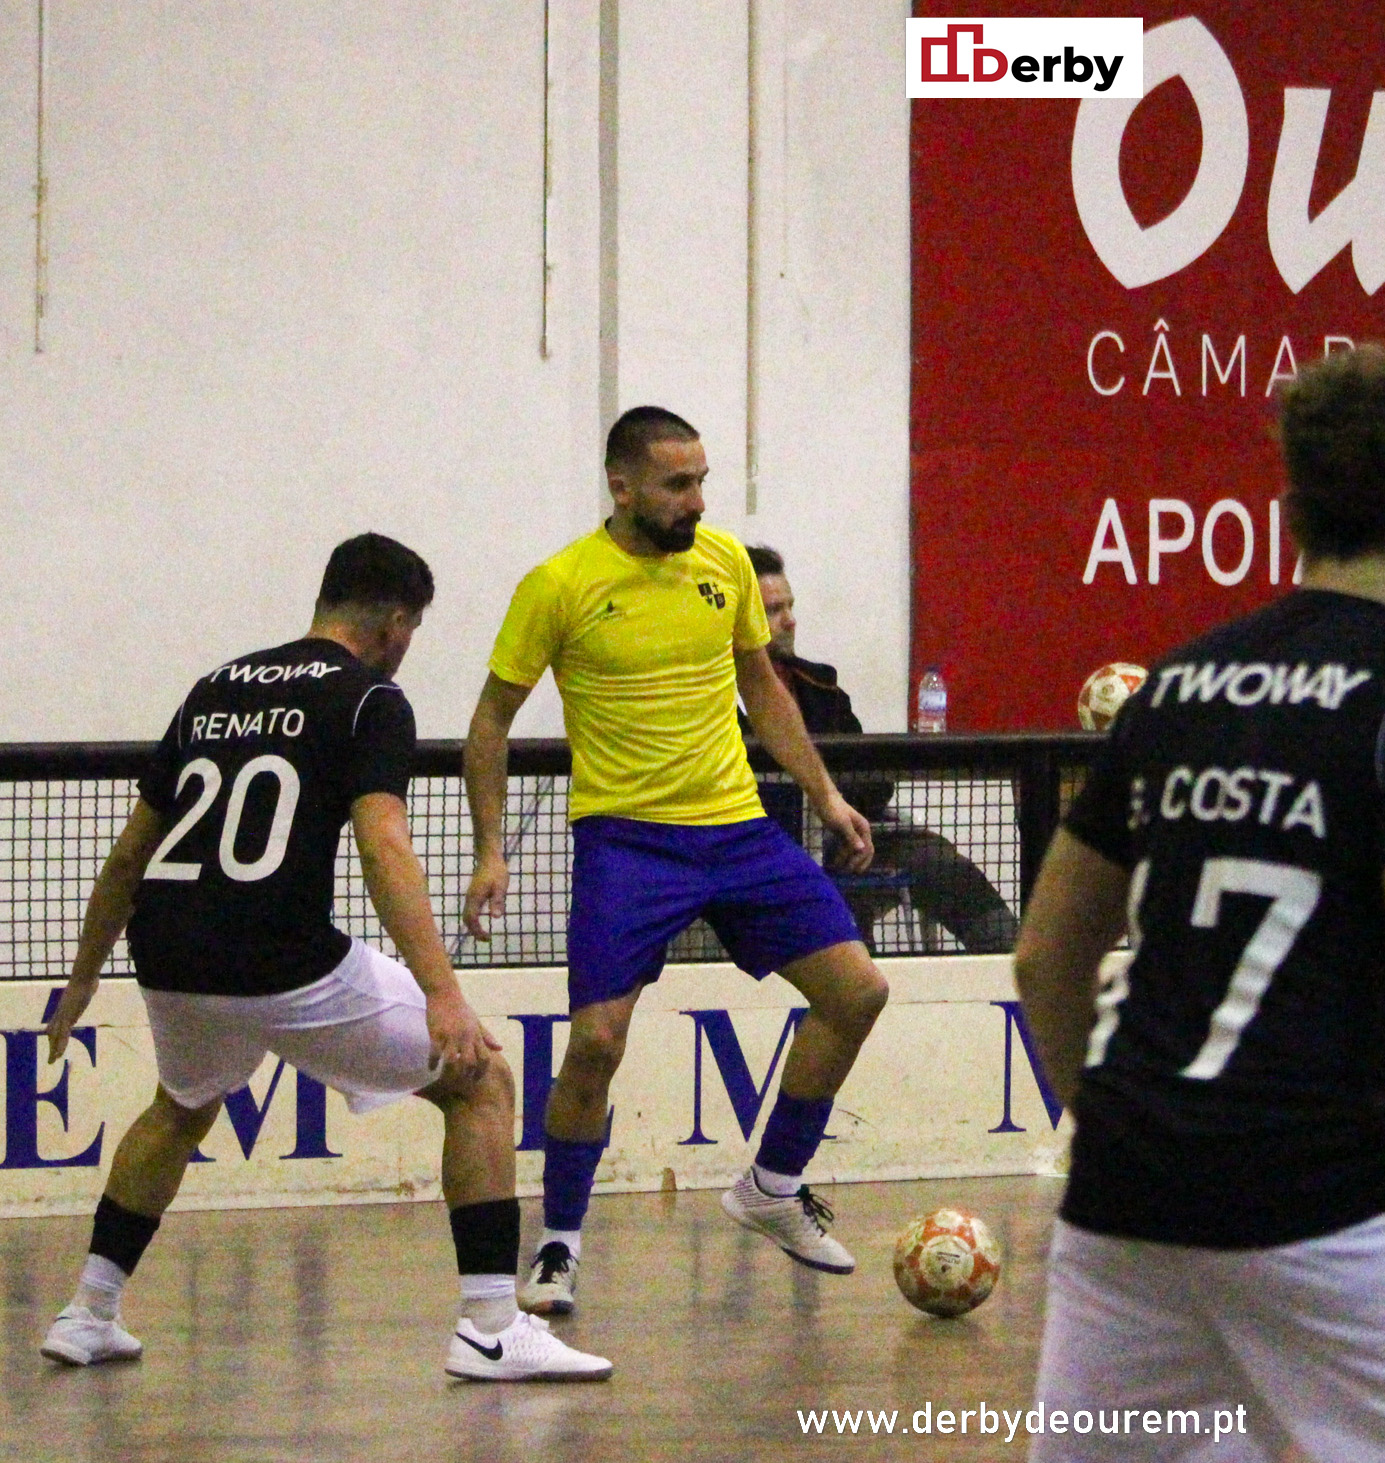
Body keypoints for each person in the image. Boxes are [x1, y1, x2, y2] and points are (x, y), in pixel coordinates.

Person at [1012, 347, 1385, 1463]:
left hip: (1122, 1182)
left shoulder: (1175, 685)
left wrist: (1126, 1130)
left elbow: (1045, 955)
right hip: (1314, 1178)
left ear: (1290, 510)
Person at [38, 534, 610, 1383]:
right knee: (481, 1078)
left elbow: (130, 854)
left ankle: (88, 1311)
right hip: (283, 961)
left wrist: (84, 974)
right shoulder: (369, 698)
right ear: (394, 621)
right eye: (413, 628)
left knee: (180, 1107)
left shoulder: (215, 688)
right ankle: (493, 1326)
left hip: (170, 953)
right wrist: (443, 992)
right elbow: (385, 847)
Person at [463, 407, 890, 1315]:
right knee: (595, 1043)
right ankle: (560, 1241)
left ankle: (772, 1186)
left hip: (737, 831)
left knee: (858, 992)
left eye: (702, 480)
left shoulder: (723, 562)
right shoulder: (559, 584)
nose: (697, 500)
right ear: (622, 487)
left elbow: (761, 687)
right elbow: (490, 722)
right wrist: (490, 849)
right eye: (677, 484)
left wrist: (823, 793)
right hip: (627, 841)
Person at [744, 543, 1020, 954]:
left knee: (940, 863)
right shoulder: (709, 698)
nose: (790, 620)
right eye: (773, 610)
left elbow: (873, 779)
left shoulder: (822, 688)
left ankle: (1013, 958)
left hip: (852, 839)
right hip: (757, 854)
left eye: (790, 606)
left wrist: (843, 822)